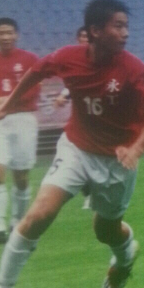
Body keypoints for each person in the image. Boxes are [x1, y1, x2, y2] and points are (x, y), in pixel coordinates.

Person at [0, 0, 144, 288]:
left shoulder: (134, 70)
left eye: (126, 26)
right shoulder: (69, 58)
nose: (125, 33)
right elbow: (38, 71)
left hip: (116, 162)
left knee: (105, 230)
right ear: (95, 31)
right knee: (39, 214)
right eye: (118, 26)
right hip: (76, 150)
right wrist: (8, 105)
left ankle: (125, 256)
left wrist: (136, 149)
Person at [0, 18, 40, 245]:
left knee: (21, 176)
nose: (5, 37)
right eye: (1, 33)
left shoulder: (29, 60)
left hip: (23, 120)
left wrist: (1, 100)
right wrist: (7, 101)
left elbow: (32, 93)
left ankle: (18, 221)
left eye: (9, 32)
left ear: (17, 34)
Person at [53, 26, 91, 209]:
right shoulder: (75, 61)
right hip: (81, 121)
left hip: (101, 122)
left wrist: (64, 95)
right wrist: (63, 95)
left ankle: (93, 193)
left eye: (88, 36)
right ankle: (89, 193)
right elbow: (73, 82)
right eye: (82, 36)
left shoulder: (102, 59)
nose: (86, 39)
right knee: (76, 157)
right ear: (78, 39)